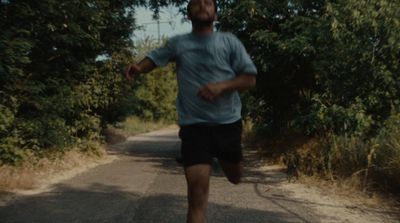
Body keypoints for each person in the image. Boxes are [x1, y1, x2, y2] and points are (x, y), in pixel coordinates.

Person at [125, 0, 257, 222]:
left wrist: (221, 86)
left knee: (235, 177)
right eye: (197, 3)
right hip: (194, 128)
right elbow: (154, 59)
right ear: (188, 14)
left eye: (208, 3)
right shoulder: (179, 43)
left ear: (215, 14)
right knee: (197, 196)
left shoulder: (229, 41)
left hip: (227, 124)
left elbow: (250, 79)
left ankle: (229, 161)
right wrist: (138, 68)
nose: (203, 6)